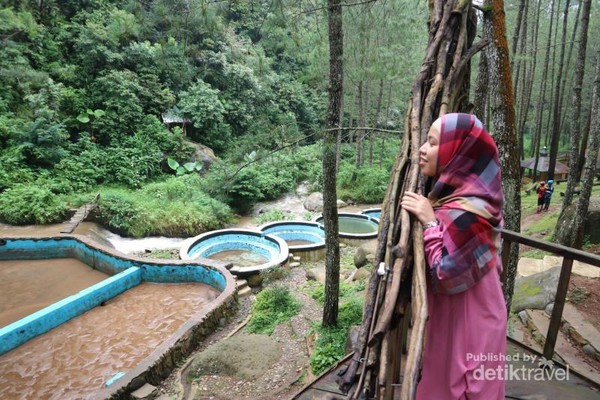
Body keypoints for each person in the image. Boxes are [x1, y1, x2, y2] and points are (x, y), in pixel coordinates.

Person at [400, 113, 506, 400]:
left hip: (473, 327)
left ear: (457, 154)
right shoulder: (463, 197)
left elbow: (446, 273)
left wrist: (430, 223)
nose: (422, 148)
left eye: (433, 143)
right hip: (458, 320)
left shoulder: (468, 211)